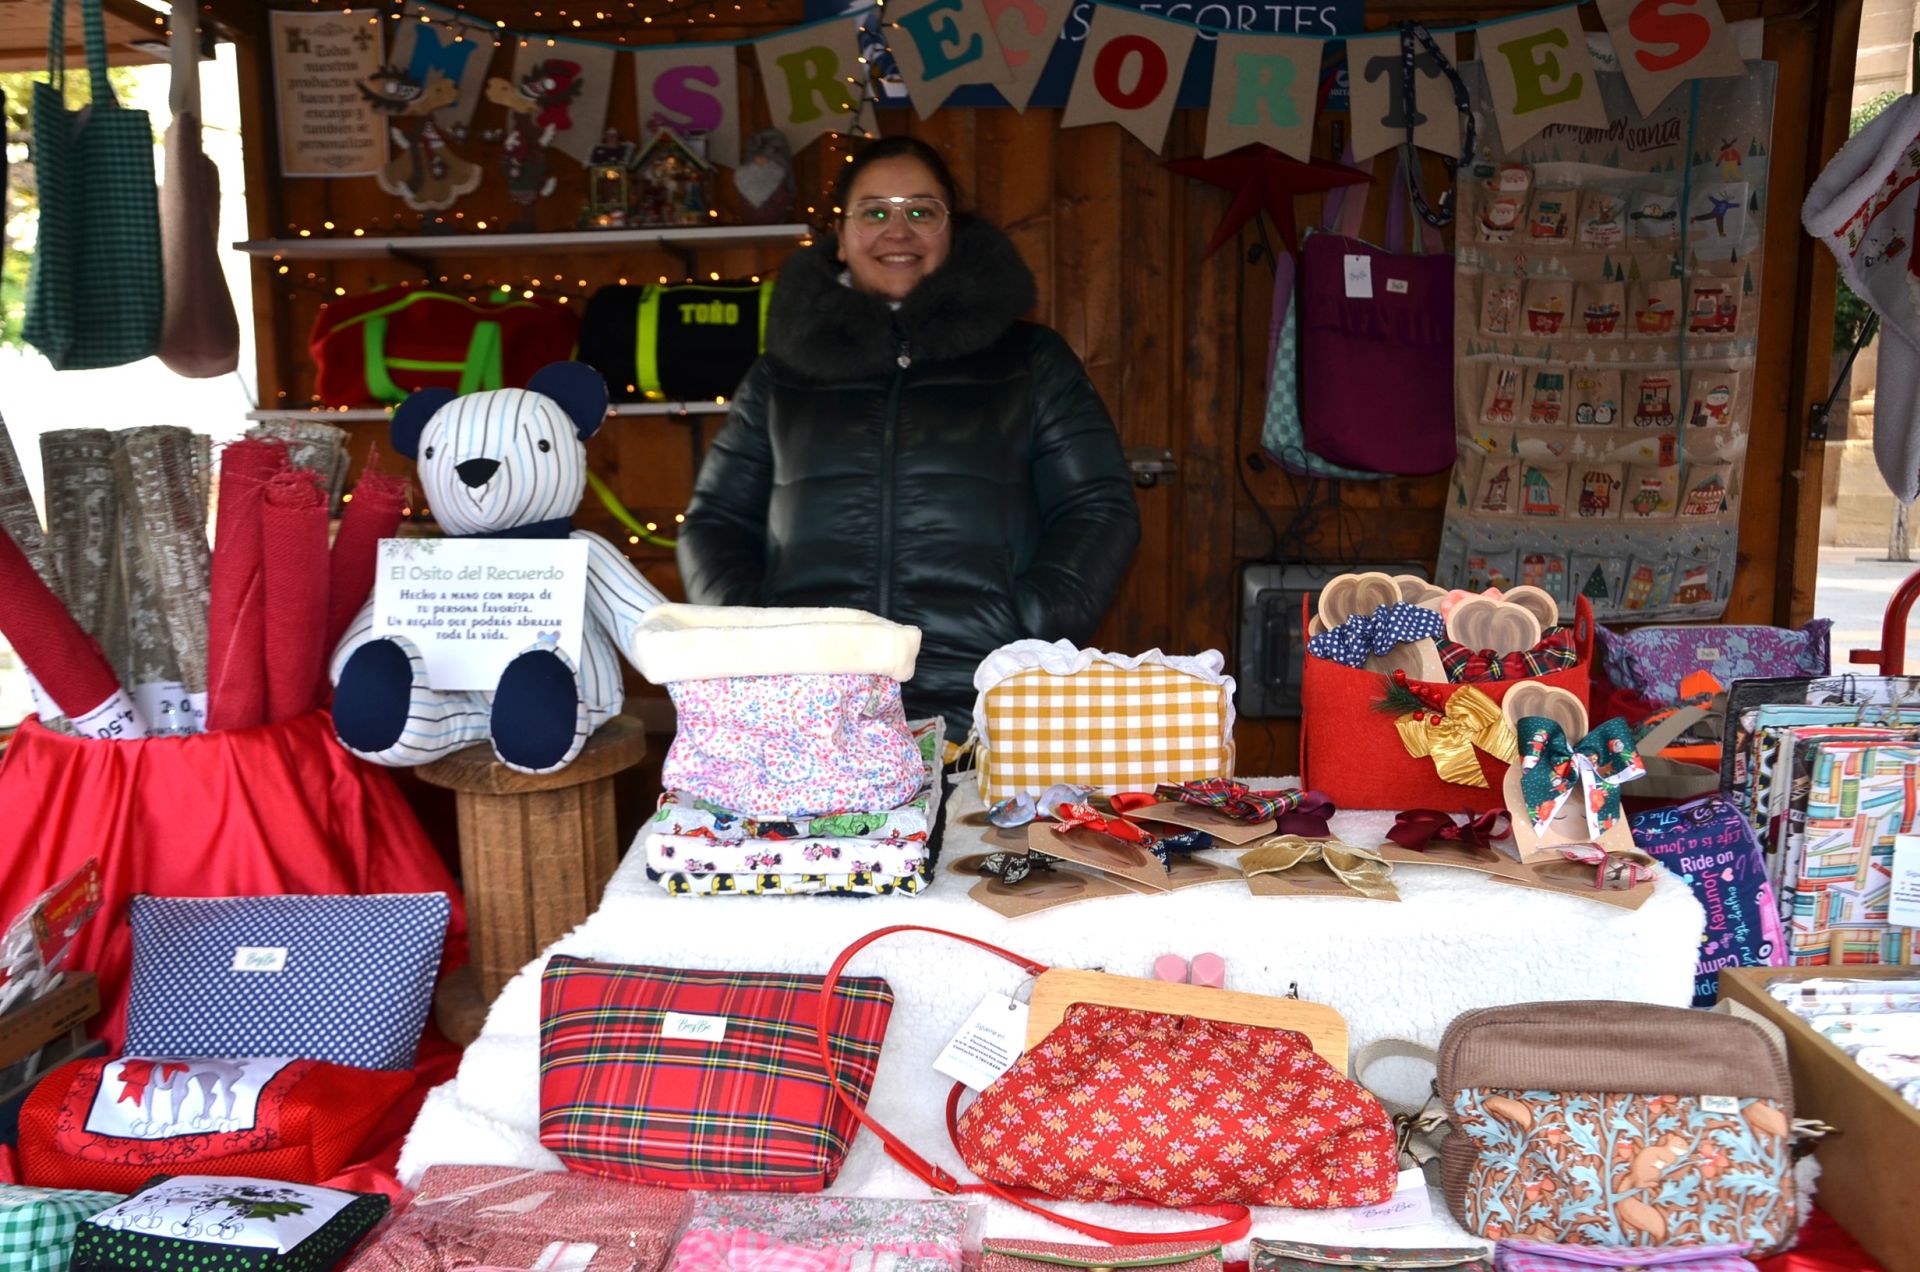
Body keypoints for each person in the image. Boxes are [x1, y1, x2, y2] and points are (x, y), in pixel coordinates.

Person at [677, 136, 1140, 736]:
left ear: (954, 231)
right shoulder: (780, 377)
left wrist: (1024, 625)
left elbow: (1099, 507)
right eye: (874, 212)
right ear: (840, 237)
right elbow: (714, 522)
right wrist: (763, 640)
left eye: (921, 210)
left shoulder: (1031, 360)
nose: (898, 231)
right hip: (811, 715)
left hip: (985, 706)